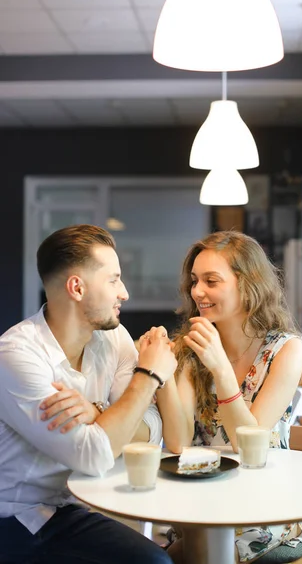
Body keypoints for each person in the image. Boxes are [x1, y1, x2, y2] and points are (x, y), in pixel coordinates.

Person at [0, 224, 175, 564]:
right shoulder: (15, 356)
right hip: (19, 518)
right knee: (156, 561)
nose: (123, 292)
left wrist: (97, 413)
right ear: (77, 287)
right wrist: (149, 375)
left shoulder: (113, 337)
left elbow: (152, 430)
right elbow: (96, 456)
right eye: (113, 279)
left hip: (78, 503)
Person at [155, 230, 302, 563]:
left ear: (248, 284)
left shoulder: (286, 350)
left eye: (211, 281)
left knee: (189, 555)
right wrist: (163, 374)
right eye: (195, 281)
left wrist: (222, 370)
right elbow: (178, 440)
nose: (197, 291)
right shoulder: (191, 348)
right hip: (201, 502)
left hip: (264, 503)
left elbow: (249, 442)